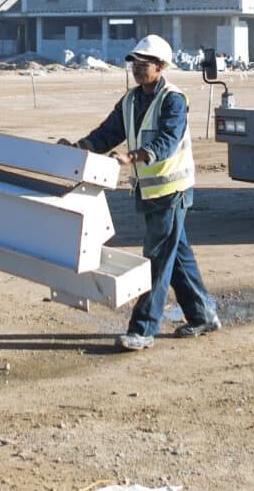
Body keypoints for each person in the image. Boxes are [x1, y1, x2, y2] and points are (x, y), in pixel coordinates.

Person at [71, 35, 219, 350]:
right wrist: (81, 147)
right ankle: (203, 314)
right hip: (149, 192)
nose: (137, 69)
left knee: (156, 260)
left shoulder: (173, 100)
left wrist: (133, 156)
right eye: (134, 63)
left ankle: (143, 330)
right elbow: (108, 132)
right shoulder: (130, 100)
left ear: (160, 67)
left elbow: (167, 140)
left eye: (144, 64)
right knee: (176, 257)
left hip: (172, 191)